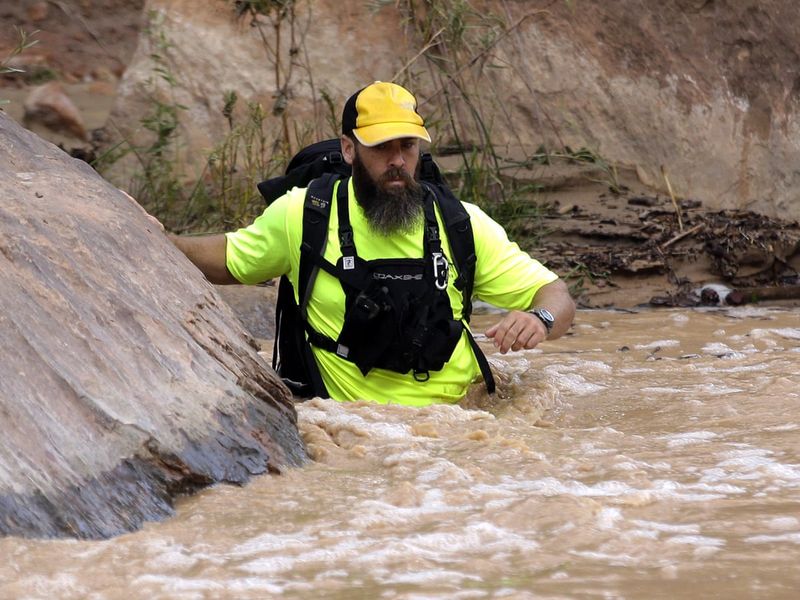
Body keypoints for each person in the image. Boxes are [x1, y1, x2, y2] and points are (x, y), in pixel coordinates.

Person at [170, 81, 575, 406]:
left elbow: (556, 295)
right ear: (349, 149)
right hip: (356, 426)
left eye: (408, 146)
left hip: (465, 422)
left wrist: (540, 319)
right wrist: (157, 236)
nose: (397, 159)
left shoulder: (460, 222)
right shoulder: (304, 215)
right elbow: (227, 259)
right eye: (381, 146)